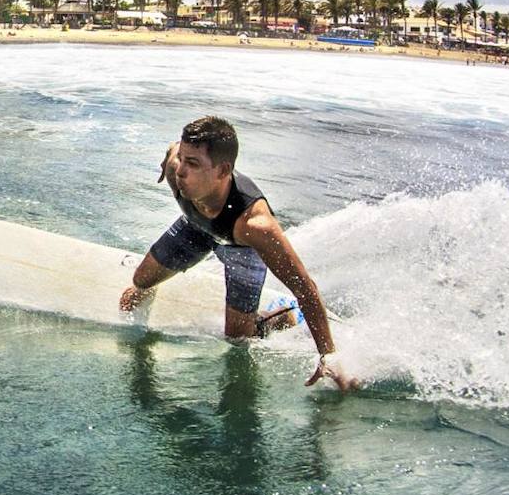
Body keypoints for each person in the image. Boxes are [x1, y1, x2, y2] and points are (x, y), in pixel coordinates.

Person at [119, 116, 357, 391]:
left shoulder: (256, 226)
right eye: (182, 159)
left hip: (241, 248)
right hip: (196, 226)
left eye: (193, 163)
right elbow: (173, 150)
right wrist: (170, 160)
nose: (181, 171)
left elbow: (304, 287)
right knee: (140, 281)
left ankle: (279, 318)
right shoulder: (177, 168)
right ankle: (145, 285)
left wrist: (328, 355)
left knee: (237, 337)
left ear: (223, 171)